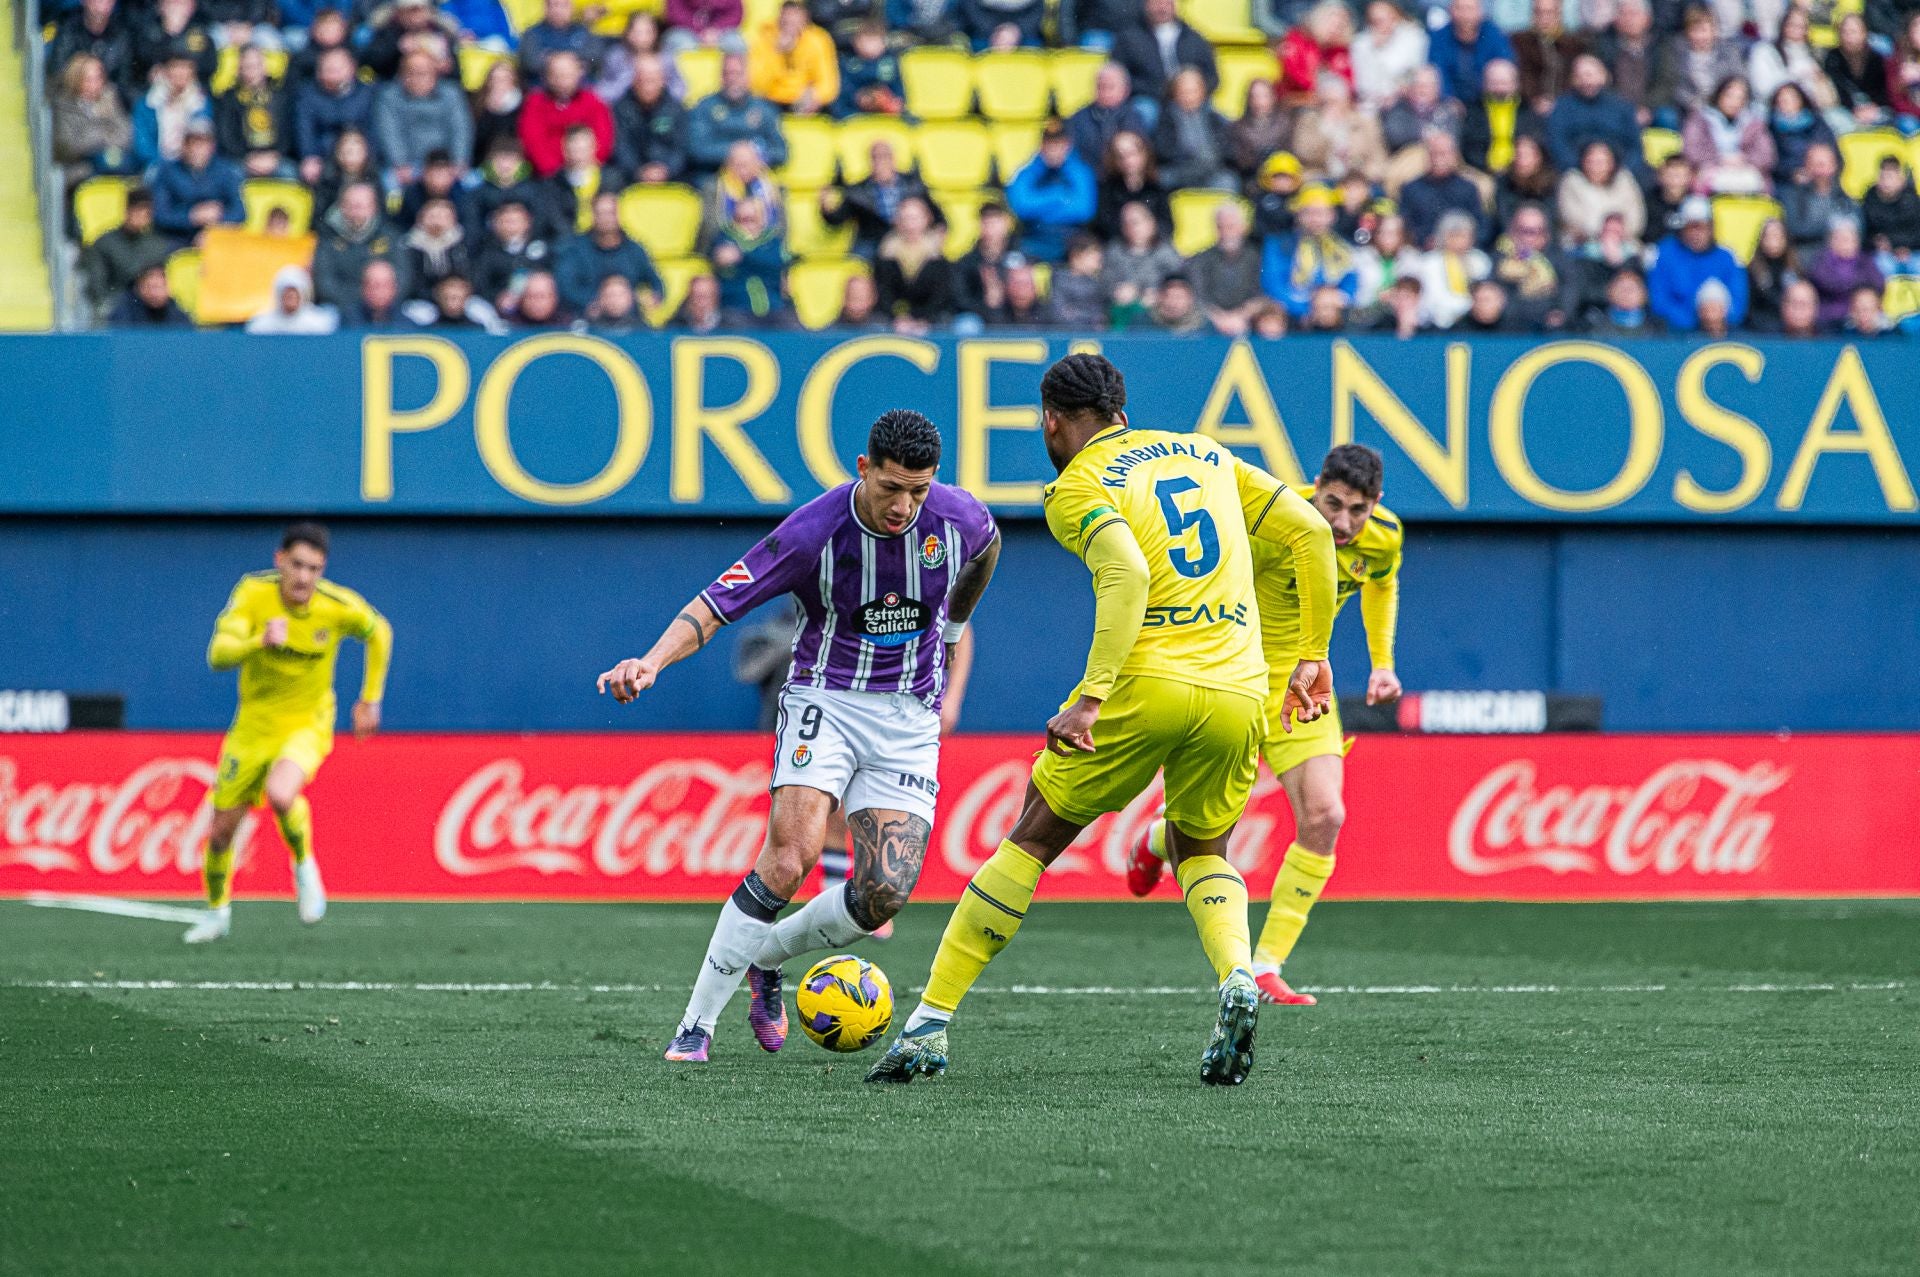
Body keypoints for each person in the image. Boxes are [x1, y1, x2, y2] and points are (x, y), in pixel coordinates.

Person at [864, 353, 1336, 1087]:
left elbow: (1128, 573)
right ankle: (1238, 976)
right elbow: (1309, 530)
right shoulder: (1207, 453)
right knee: (1203, 846)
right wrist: (1312, 652)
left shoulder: (1077, 483)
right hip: (1241, 690)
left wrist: (1091, 693)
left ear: (1052, 419)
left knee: (1033, 835)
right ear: (1121, 407)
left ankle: (928, 1025)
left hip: (1147, 683)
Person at [598, 410, 1001, 1065]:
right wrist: (649, 660)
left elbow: (988, 549)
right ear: (863, 468)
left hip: (909, 715)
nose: (904, 506)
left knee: (881, 895)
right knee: (791, 857)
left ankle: (763, 955)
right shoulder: (814, 531)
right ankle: (696, 1025)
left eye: (918, 491)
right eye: (892, 487)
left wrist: (954, 627)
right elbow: (715, 603)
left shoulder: (960, 519)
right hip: (826, 697)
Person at [1128, 443, 1400, 1007]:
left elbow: (1380, 583)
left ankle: (1267, 966)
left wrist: (1382, 663)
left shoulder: (1384, 537)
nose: (1343, 523)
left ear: (1376, 504)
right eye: (1332, 504)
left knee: (1326, 815)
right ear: (1315, 484)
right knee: (1209, 832)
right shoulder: (1269, 519)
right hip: (1237, 677)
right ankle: (1156, 838)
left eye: (1358, 511)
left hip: (1304, 686)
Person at [187, 523, 392, 945]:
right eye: (297, 565)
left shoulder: (336, 605)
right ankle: (217, 913)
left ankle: (304, 866)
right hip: (252, 726)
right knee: (222, 831)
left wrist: (370, 699)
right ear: (280, 560)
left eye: (314, 568)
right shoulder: (252, 593)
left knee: (282, 794)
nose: (303, 577)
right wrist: (258, 641)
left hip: (308, 722)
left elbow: (380, 633)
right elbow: (217, 655)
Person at [1647, 195, 1748, 330]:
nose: (1696, 234)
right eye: (1690, 227)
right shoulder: (1664, 254)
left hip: (1721, 330)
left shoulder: (1727, 258)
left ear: (1711, 228)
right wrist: (1692, 321)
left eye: (1701, 227)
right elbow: (1658, 300)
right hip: (1677, 333)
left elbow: (1738, 302)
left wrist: (1715, 318)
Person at [374, 50, 473, 188]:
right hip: (407, 166)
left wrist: (458, 162)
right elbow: (389, 132)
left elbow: (460, 129)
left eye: (424, 73)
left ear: (435, 74)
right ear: (402, 75)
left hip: (446, 164)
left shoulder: (452, 94)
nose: (417, 79)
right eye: (411, 73)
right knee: (388, 184)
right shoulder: (389, 96)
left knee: (472, 183)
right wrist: (400, 163)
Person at [822, 138, 934, 257]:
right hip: (872, 240)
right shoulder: (857, 191)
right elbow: (837, 219)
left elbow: (936, 215)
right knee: (858, 263)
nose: (880, 162)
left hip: (908, 237)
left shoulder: (914, 185)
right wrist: (825, 208)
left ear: (893, 158)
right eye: (875, 157)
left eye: (884, 156)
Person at [1006, 118, 1097, 261]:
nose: (1054, 150)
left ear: (1068, 145)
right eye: (1050, 145)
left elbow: (1083, 210)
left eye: (1059, 144)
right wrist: (1058, 197)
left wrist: (1039, 208)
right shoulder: (1029, 172)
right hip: (1034, 238)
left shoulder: (1079, 171)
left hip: (1070, 240)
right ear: (1042, 146)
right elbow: (1020, 206)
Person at [686, 52, 788, 176]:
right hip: (714, 178)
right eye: (727, 73)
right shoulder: (704, 107)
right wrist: (734, 152)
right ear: (721, 77)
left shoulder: (764, 108)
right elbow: (696, 149)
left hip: (755, 179)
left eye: (738, 74)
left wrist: (754, 154)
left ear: (747, 77)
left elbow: (781, 152)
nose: (732, 79)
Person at [1265, 183, 1358, 316]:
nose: (1315, 219)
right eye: (1309, 212)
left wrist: (1338, 298)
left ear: (1332, 216)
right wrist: (1310, 308)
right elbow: (1274, 286)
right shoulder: (1280, 245)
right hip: (1294, 315)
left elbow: (1351, 280)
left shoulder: (1341, 247)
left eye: (1322, 213)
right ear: (1298, 215)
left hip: (1333, 312)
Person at [520, 50, 615, 178]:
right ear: (547, 77)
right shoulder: (535, 103)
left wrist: (587, 168)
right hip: (548, 177)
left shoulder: (593, 102)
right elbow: (533, 142)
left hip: (589, 173)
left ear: (579, 74)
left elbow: (603, 140)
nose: (563, 82)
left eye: (568, 75)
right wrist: (557, 174)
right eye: (557, 76)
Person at [1112, 0, 1218, 111]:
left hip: (1190, 98)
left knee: (1212, 115)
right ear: (1145, 4)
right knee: (1144, 110)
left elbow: (1212, 76)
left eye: (1167, 2)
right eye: (1156, 3)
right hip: (1149, 98)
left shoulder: (1194, 38)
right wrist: (1158, 90)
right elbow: (1119, 76)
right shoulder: (1128, 38)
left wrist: (1193, 89)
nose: (1162, 7)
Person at [312, 181, 404, 306]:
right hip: (340, 306)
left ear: (374, 207)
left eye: (361, 206)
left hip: (388, 305)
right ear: (341, 207)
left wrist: (379, 298)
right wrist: (360, 299)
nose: (355, 212)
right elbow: (324, 282)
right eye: (351, 205)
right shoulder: (328, 237)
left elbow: (403, 278)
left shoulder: (390, 236)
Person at [51, 53, 134, 192]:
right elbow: (69, 145)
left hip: (113, 165)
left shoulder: (110, 99)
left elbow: (126, 135)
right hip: (78, 170)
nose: (95, 84)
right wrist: (102, 132)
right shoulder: (63, 106)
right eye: (89, 80)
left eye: (98, 78)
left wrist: (93, 137)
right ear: (76, 80)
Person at [151, 117, 244, 240]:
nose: (198, 150)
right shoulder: (167, 172)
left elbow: (240, 212)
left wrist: (216, 221)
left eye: (204, 144)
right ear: (184, 145)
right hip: (178, 237)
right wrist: (191, 216)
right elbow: (160, 215)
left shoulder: (225, 171)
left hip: (217, 235)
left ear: (212, 147)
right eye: (194, 143)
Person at [83, 186, 172, 315]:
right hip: (117, 308)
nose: (142, 215)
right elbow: (97, 286)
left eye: (146, 211)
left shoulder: (157, 245)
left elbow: (161, 282)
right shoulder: (104, 243)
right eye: (137, 209)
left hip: (150, 309)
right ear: (127, 210)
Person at [291, 46, 373, 185]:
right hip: (323, 157)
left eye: (338, 69)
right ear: (318, 72)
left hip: (362, 158)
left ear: (352, 68)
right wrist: (309, 156)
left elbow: (373, 130)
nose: (334, 75)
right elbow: (304, 129)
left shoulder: (367, 93)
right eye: (328, 70)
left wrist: (365, 158)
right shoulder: (307, 95)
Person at [1292, 72, 1389, 185]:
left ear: (1346, 100)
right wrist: (1326, 129)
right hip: (1321, 178)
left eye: (1334, 102)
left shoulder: (1364, 123)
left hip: (1357, 179)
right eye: (1326, 102)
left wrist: (1365, 172)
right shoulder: (1309, 121)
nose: (1330, 107)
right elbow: (1305, 153)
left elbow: (1379, 157)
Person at [1682, 75, 1774, 195]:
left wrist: (1743, 159)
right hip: (1708, 176)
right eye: (1730, 96)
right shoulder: (1700, 120)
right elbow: (1691, 150)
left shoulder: (1754, 123)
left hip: (1746, 177)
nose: (1734, 102)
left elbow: (1766, 155)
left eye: (1740, 98)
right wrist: (1720, 159)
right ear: (1719, 95)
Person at [873, 195, 953, 331]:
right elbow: (883, 292)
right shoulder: (885, 253)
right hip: (894, 319)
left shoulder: (937, 255)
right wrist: (897, 319)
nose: (910, 224)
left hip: (930, 318)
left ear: (927, 219)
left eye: (915, 218)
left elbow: (941, 295)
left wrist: (925, 320)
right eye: (905, 218)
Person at [213, 44, 289, 179]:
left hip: (275, 158)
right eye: (247, 67)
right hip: (241, 160)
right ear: (239, 70)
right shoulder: (228, 99)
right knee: (230, 175)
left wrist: (275, 155)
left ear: (264, 67)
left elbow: (289, 131)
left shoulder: (281, 97)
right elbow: (225, 135)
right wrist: (246, 158)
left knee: (290, 173)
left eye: (256, 66)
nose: (252, 71)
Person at [749, 1, 839, 112]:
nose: (791, 28)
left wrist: (816, 96)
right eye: (786, 22)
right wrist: (777, 53)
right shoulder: (763, 39)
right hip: (773, 99)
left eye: (795, 22)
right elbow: (757, 85)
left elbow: (828, 83)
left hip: (805, 99)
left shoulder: (818, 40)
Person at [1154, 68, 1235, 191]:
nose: (1189, 97)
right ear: (1174, 93)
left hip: (1211, 171)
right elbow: (1164, 150)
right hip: (1179, 170)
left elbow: (1225, 148)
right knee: (1163, 180)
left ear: (1202, 93)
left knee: (1228, 182)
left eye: (1193, 92)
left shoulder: (1214, 117)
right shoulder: (1167, 118)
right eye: (1184, 92)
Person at [1399, 130, 1483, 247]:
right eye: (1434, 153)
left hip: (1462, 251)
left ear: (1454, 156)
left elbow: (1480, 226)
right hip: (1423, 253)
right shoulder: (1411, 189)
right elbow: (1406, 227)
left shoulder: (1468, 189)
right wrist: (1424, 240)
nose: (1438, 159)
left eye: (1443, 154)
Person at [612, 54, 688, 182]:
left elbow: (682, 148)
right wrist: (638, 171)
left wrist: (667, 170)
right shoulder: (621, 109)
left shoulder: (676, 109)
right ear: (634, 81)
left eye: (652, 80)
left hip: (671, 175)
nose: (647, 87)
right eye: (643, 81)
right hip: (631, 176)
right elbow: (621, 147)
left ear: (663, 81)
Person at [1190, 203, 1263, 334]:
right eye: (1220, 227)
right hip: (1209, 320)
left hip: (1247, 318)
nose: (1225, 232)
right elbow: (1197, 294)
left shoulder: (1257, 257)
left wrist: (1240, 316)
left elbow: (1261, 293)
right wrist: (1219, 318)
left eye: (1230, 226)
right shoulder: (1200, 259)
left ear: (1243, 228)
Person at [1426, 0, 1514, 106]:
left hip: (1487, 100)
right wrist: (1448, 98)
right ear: (1450, 11)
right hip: (1449, 103)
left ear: (1480, 12)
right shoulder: (1439, 38)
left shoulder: (1494, 35)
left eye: (1470, 9)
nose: (1465, 15)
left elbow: (1504, 65)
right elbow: (1438, 71)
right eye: (1460, 9)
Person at [1558, 137, 1645, 245]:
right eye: (1591, 161)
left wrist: (1615, 236)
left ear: (1612, 163)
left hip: (1623, 243)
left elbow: (1636, 220)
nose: (1596, 167)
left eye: (1601, 161)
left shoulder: (1624, 180)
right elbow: (1572, 219)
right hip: (1582, 244)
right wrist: (1605, 234)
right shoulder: (1572, 181)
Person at [1070, 62, 1151, 170]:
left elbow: (1140, 156)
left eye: (1110, 87)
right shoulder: (1080, 118)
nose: (1105, 93)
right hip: (1092, 175)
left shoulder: (1134, 117)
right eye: (1100, 87)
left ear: (1125, 90)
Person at [1805, 214, 1882, 325]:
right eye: (1840, 238)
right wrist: (1857, 285)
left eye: (1849, 238)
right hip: (1829, 315)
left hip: (1860, 314)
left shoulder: (1865, 260)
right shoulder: (1822, 260)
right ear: (1831, 240)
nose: (1845, 243)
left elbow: (1879, 283)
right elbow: (1823, 281)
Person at [1417, 209, 1490, 326]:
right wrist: (1468, 306)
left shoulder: (1480, 260)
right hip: (1439, 323)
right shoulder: (1430, 262)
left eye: (1464, 235)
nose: (1460, 241)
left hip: (1474, 323)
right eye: (1455, 235)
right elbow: (1433, 299)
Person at [1512, 0, 1586, 114]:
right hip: (1528, 106)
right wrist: (1535, 98)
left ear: (1559, 14)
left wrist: (1559, 103)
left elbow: (1574, 77)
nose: (1544, 18)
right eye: (1538, 13)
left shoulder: (1574, 44)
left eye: (1549, 13)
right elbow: (1522, 74)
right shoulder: (1520, 42)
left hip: (1567, 106)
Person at [1779, 142, 1854, 255]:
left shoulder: (1843, 196)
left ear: (1834, 166)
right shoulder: (1793, 194)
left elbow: (1857, 228)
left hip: (1841, 258)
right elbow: (1794, 228)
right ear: (1806, 166)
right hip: (1806, 256)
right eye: (1814, 164)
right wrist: (1833, 227)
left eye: (1822, 165)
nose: (1819, 171)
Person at [1351, 0, 1428, 110]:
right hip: (1371, 104)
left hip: (1407, 101)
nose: (1382, 24)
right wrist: (1375, 50)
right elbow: (1363, 84)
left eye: (1387, 18)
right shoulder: (1361, 44)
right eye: (1376, 21)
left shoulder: (1414, 37)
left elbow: (1415, 71)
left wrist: (1397, 92)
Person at [1822, 13, 1890, 131]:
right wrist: (1854, 109)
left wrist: (1873, 106)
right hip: (1847, 109)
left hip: (1875, 108)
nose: (1848, 37)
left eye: (1853, 32)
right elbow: (1837, 89)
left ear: (1864, 33)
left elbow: (1883, 89)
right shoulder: (1832, 58)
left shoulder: (1876, 59)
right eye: (1845, 32)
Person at [401, 196, 472, 299]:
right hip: (420, 299)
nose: (437, 221)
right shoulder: (410, 247)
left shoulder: (463, 245)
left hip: (458, 299)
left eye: (443, 217)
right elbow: (410, 281)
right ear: (420, 219)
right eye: (432, 216)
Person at [1280, 1, 1354, 98]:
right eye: (1331, 24)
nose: (1335, 30)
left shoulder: (1339, 52)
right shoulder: (1296, 41)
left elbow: (1347, 81)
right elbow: (1295, 76)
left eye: (1340, 27)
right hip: (1297, 101)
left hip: (1330, 103)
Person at [1767, 83, 1835, 190]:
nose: (1787, 103)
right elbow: (1771, 160)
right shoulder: (1771, 128)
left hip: (1821, 177)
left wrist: (1814, 170)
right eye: (1783, 100)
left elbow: (1831, 151)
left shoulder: (1817, 123)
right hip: (1787, 181)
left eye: (1791, 98)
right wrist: (1792, 173)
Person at [1862, 157, 1920, 275]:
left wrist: (1902, 247)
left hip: (1912, 252)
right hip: (1883, 255)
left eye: (1891, 177)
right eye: (1883, 177)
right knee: (1881, 265)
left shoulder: (1914, 202)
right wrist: (1876, 244)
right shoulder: (1869, 202)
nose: (1886, 182)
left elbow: (1916, 234)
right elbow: (1865, 235)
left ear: (1901, 180)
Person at [1226, 79, 1292, 182]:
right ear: (1248, 99)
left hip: (1280, 177)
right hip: (1251, 179)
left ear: (1273, 98)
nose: (1260, 102)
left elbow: (1289, 154)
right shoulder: (1238, 127)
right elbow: (1239, 161)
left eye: (1264, 96)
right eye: (1255, 96)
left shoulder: (1285, 123)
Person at [519, 0, 603, 79]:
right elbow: (530, 62)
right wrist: (559, 64)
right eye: (555, 5)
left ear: (571, 7)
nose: (558, 11)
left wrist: (562, 61)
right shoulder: (532, 34)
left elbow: (595, 58)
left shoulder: (583, 31)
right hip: (541, 88)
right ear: (546, 7)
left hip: (580, 88)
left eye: (564, 5)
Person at [246, 264, 339, 333]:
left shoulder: (319, 324)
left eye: (295, 293)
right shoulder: (261, 325)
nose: (291, 297)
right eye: (287, 293)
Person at [1744, 215, 1797, 327]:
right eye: (1769, 236)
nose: (1773, 241)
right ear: (1761, 240)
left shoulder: (1794, 269)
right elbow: (1750, 308)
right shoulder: (1752, 271)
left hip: (1790, 327)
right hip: (1760, 328)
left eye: (1777, 236)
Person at [109, 263, 193, 326]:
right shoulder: (124, 311)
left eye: (160, 287)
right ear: (141, 288)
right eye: (151, 287)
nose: (155, 294)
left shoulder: (178, 314)